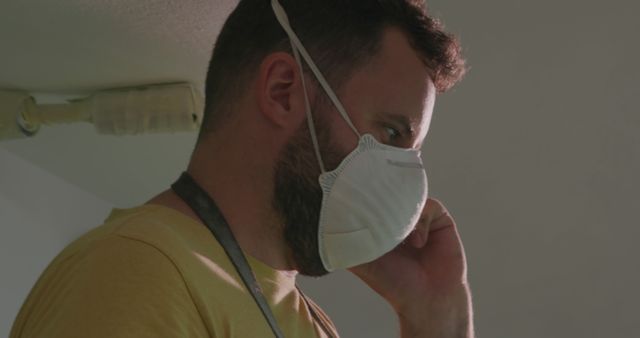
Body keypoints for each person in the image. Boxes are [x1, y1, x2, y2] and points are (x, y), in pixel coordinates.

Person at [10, 0, 472, 337]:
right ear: (282, 90)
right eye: (391, 134)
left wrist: (436, 317)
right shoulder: (138, 271)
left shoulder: (313, 325)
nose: (405, 177)